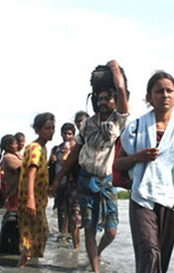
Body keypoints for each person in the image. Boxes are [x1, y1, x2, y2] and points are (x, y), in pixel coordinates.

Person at [114, 71, 174, 273]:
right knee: (149, 250)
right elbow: (118, 164)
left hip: (172, 199)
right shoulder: (136, 127)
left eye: (169, 91)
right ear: (149, 97)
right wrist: (137, 157)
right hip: (142, 197)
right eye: (159, 91)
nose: (165, 95)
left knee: (163, 256)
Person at [49, 59, 129, 273]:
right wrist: (57, 179)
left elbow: (121, 90)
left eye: (107, 98)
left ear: (114, 101)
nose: (103, 101)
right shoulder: (87, 124)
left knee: (111, 231)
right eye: (100, 98)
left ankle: (98, 252)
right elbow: (75, 152)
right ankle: (94, 269)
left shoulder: (118, 121)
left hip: (107, 182)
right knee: (89, 227)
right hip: (85, 180)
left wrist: (114, 69)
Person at [17, 112, 55, 268]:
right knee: (32, 233)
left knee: (37, 232)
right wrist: (31, 199)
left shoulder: (42, 148)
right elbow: (32, 172)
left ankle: (26, 265)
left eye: (53, 128)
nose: (51, 131)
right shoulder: (36, 148)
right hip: (30, 198)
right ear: (38, 130)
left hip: (38, 197)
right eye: (47, 128)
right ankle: (22, 266)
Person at [48, 122, 81, 249]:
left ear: (73, 135)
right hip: (60, 183)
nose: (66, 136)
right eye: (64, 133)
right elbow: (50, 167)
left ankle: (72, 236)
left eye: (69, 134)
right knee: (61, 210)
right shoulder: (56, 149)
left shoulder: (76, 149)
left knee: (74, 211)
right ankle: (63, 234)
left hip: (73, 183)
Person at [0, 134, 22, 211]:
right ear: (7, 147)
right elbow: (23, 167)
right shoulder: (8, 157)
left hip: (20, 190)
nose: (16, 146)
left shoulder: (16, 155)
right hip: (14, 191)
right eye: (14, 144)